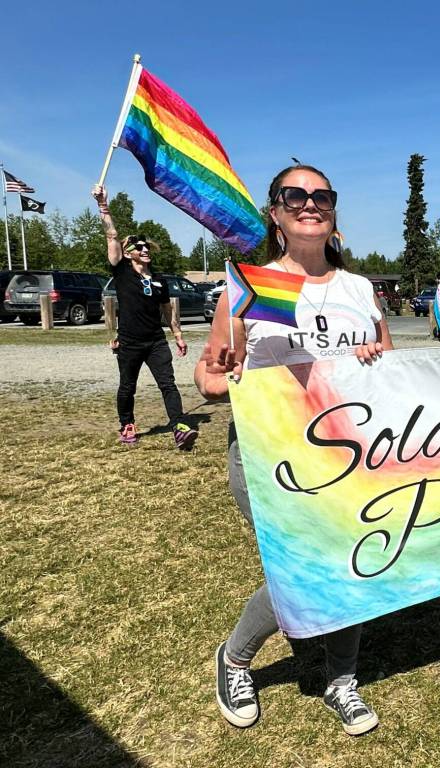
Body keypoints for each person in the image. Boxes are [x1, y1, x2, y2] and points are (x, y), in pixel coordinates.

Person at [194, 163, 393, 735]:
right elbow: (208, 378)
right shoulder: (250, 284)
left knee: (354, 558)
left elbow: (390, 365)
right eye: (294, 195)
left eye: (322, 196)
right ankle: (234, 659)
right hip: (270, 455)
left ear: (334, 213)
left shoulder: (359, 290)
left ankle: (341, 676)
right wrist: (225, 373)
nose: (311, 204)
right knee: (301, 568)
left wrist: (373, 359)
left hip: (349, 452)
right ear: (275, 213)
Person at [91, 185, 198, 449]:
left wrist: (178, 335)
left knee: (168, 384)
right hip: (129, 341)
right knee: (128, 386)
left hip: (155, 341)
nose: (145, 249)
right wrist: (103, 205)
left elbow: (167, 309)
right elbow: (112, 236)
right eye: (139, 247)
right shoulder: (122, 272)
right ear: (128, 253)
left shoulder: (160, 280)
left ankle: (179, 426)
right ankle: (127, 425)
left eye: (147, 246)